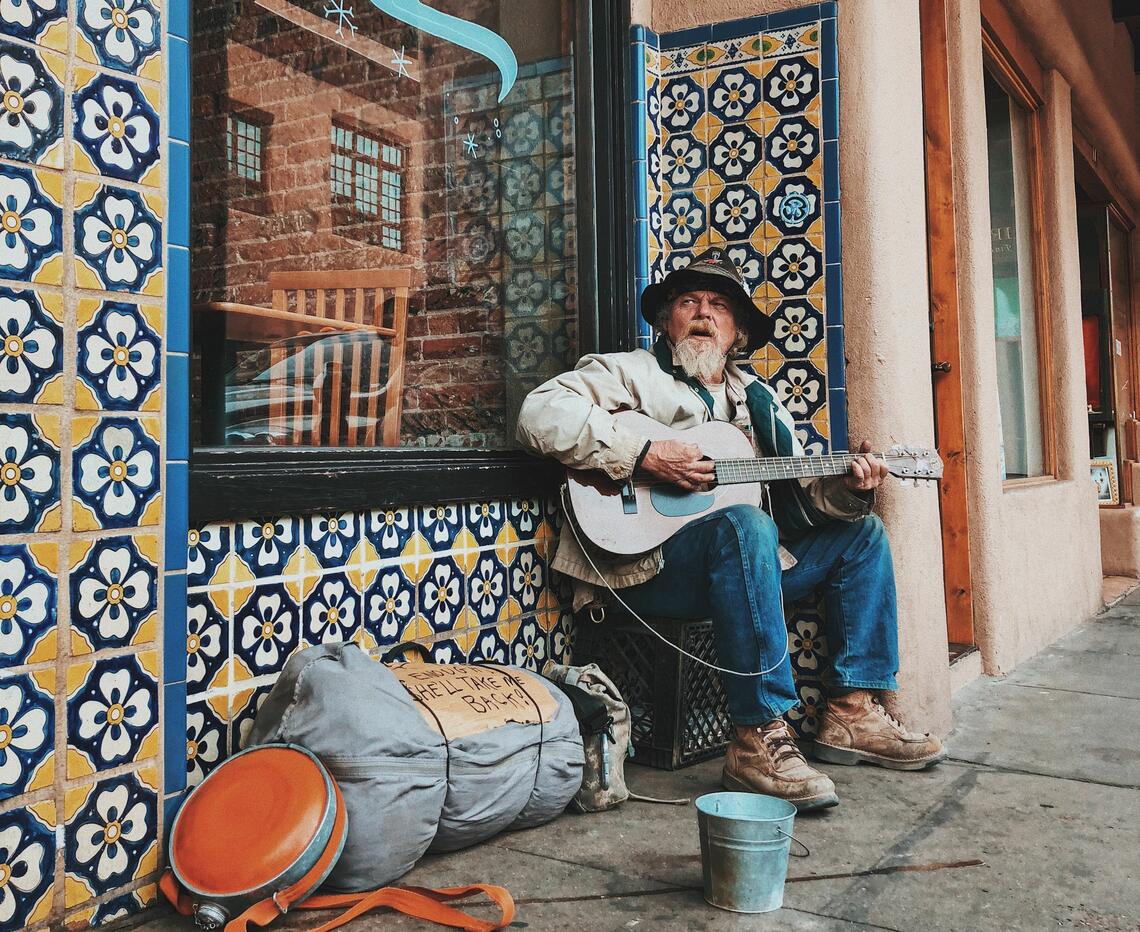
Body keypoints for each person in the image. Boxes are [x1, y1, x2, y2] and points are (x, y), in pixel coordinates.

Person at [515, 248, 944, 811]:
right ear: (667, 320)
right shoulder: (632, 372)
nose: (702, 312)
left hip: (737, 565)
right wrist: (643, 453)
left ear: (738, 333)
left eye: (719, 305)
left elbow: (800, 505)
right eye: (688, 301)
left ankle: (851, 710)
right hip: (640, 569)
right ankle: (756, 737)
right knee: (745, 525)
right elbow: (537, 414)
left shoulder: (760, 403)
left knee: (860, 535)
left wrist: (849, 490)